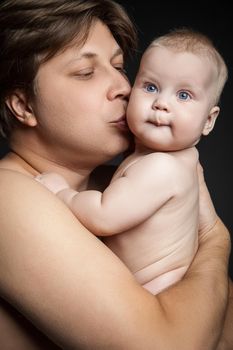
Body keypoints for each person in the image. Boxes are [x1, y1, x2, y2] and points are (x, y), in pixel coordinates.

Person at [0, 1, 232, 349]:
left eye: (119, 66)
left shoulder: (123, 183)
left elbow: (222, 326)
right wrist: (215, 239)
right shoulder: (9, 198)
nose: (124, 86)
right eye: (86, 72)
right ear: (23, 105)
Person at [36, 28, 228, 296]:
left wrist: (62, 193)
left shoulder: (162, 167)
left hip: (155, 289)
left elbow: (104, 215)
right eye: (151, 87)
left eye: (183, 95)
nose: (161, 103)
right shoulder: (167, 160)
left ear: (208, 120)